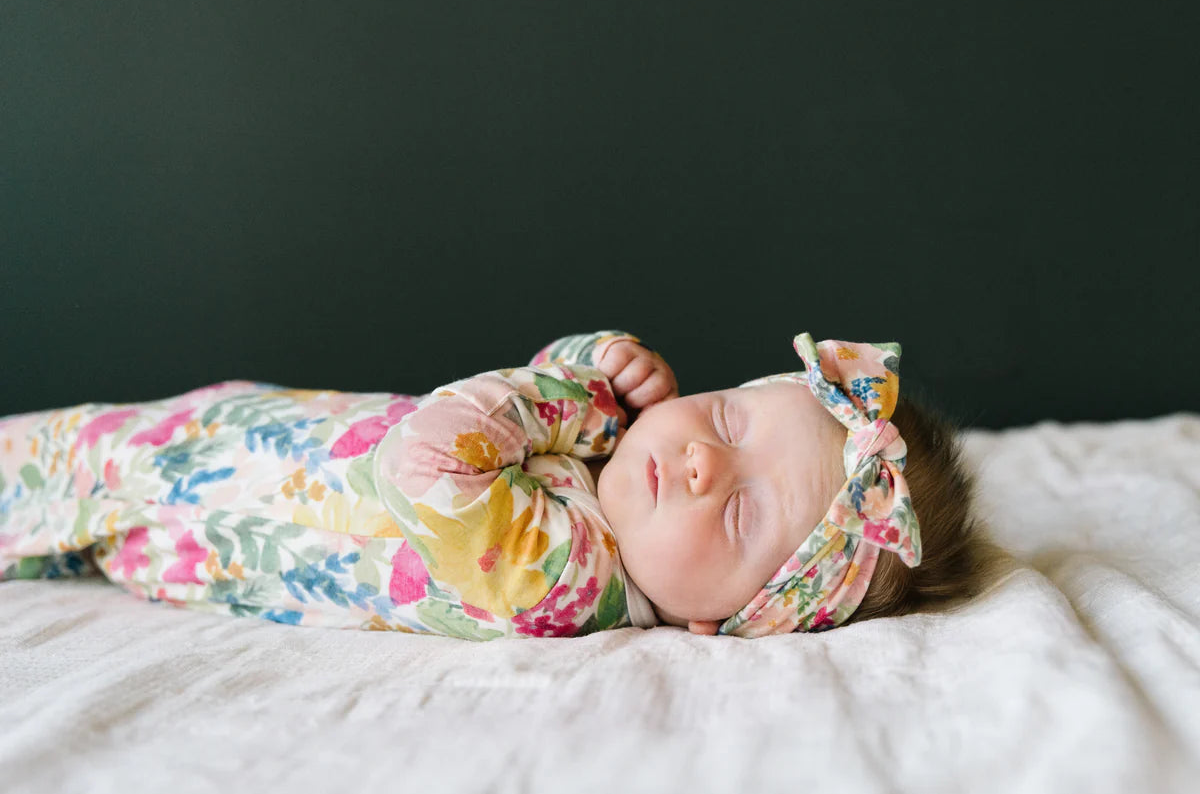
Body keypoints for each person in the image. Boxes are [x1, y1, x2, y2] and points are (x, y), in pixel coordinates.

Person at [0, 329, 982, 639]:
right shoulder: (609, 466)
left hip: (176, 498)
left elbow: (425, 458)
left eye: (737, 510)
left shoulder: (576, 577)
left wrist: (574, 391)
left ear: (725, 617)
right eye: (727, 421)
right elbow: (534, 379)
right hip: (223, 432)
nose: (701, 459)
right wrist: (596, 359)